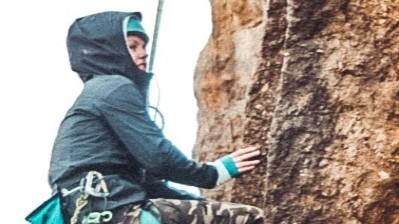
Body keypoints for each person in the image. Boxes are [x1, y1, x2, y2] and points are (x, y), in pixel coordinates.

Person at [41, 12, 264, 224]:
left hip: (100, 212)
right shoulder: (113, 87)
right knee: (248, 218)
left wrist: (202, 205)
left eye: (143, 45)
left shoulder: (97, 98)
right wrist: (215, 173)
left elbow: (151, 185)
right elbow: (159, 158)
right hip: (115, 213)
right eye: (132, 46)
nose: (143, 53)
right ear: (108, 51)